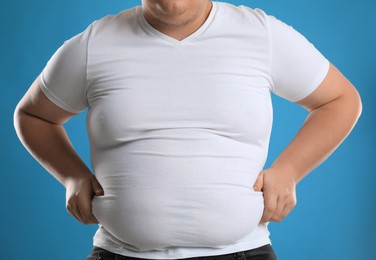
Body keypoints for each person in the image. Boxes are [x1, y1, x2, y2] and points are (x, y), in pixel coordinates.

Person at [13, 0, 362, 259]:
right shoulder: (93, 45)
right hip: (120, 254)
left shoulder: (261, 35)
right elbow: (34, 115)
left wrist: (288, 171)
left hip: (243, 252)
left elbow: (341, 100)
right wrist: (72, 176)